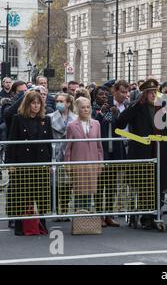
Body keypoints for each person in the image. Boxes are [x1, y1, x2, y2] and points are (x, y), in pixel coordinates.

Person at [5, 91, 53, 235]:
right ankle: (20, 226)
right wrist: (10, 164)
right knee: (22, 194)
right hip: (23, 162)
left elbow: (49, 143)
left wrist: (50, 163)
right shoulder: (18, 119)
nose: (36, 106)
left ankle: (41, 224)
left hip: (41, 162)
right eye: (33, 103)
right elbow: (12, 142)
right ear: (27, 104)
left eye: (38, 103)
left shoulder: (46, 120)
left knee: (42, 195)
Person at [116, 78, 161, 230]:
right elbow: (120, 123)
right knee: (144, 186)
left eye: (156, 92)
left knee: (157, 185)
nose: (154, 95)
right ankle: (147, 217)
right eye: (151, 92)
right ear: (145, 93)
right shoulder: (137, 107)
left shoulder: (160, 108)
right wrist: (133, 138)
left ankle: (153, 215)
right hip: (140, 152)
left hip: (157, 151)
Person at [95, 80, 130, 228]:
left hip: (116, 149)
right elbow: (96, 125)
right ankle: (98, 215)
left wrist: (118, 115)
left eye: (127, 92)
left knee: (111, 185)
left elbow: (122, 127)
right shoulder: (99, 107)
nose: (125, 95)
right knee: (99, 185)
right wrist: (102, 113)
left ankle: (109, 214)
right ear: (114, 91)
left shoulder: (126, 106)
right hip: (102, 150)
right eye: (122, 92)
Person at [64, 97, 104, 213]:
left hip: (92, 162)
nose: (86, 110)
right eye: (83, 107)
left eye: (88, 107)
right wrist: (67, 164)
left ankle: (87, 216)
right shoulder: (72, 125)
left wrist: (100, 162)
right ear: (77, 109)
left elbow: (99, 146)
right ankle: (79, 217)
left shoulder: (96, 124)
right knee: (79, 191)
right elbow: (68, 147)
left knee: (90, 191)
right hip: (78, 163)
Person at [48, 93, 77, 221]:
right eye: (57, 101)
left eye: (61, 101)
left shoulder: (75, 118)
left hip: (69, 153)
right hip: (55, 152)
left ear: (68, 103)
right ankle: (55, 210)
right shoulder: (49, 118)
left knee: (67, 184)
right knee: (54, 184)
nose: (58, 103)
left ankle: (65, 209)